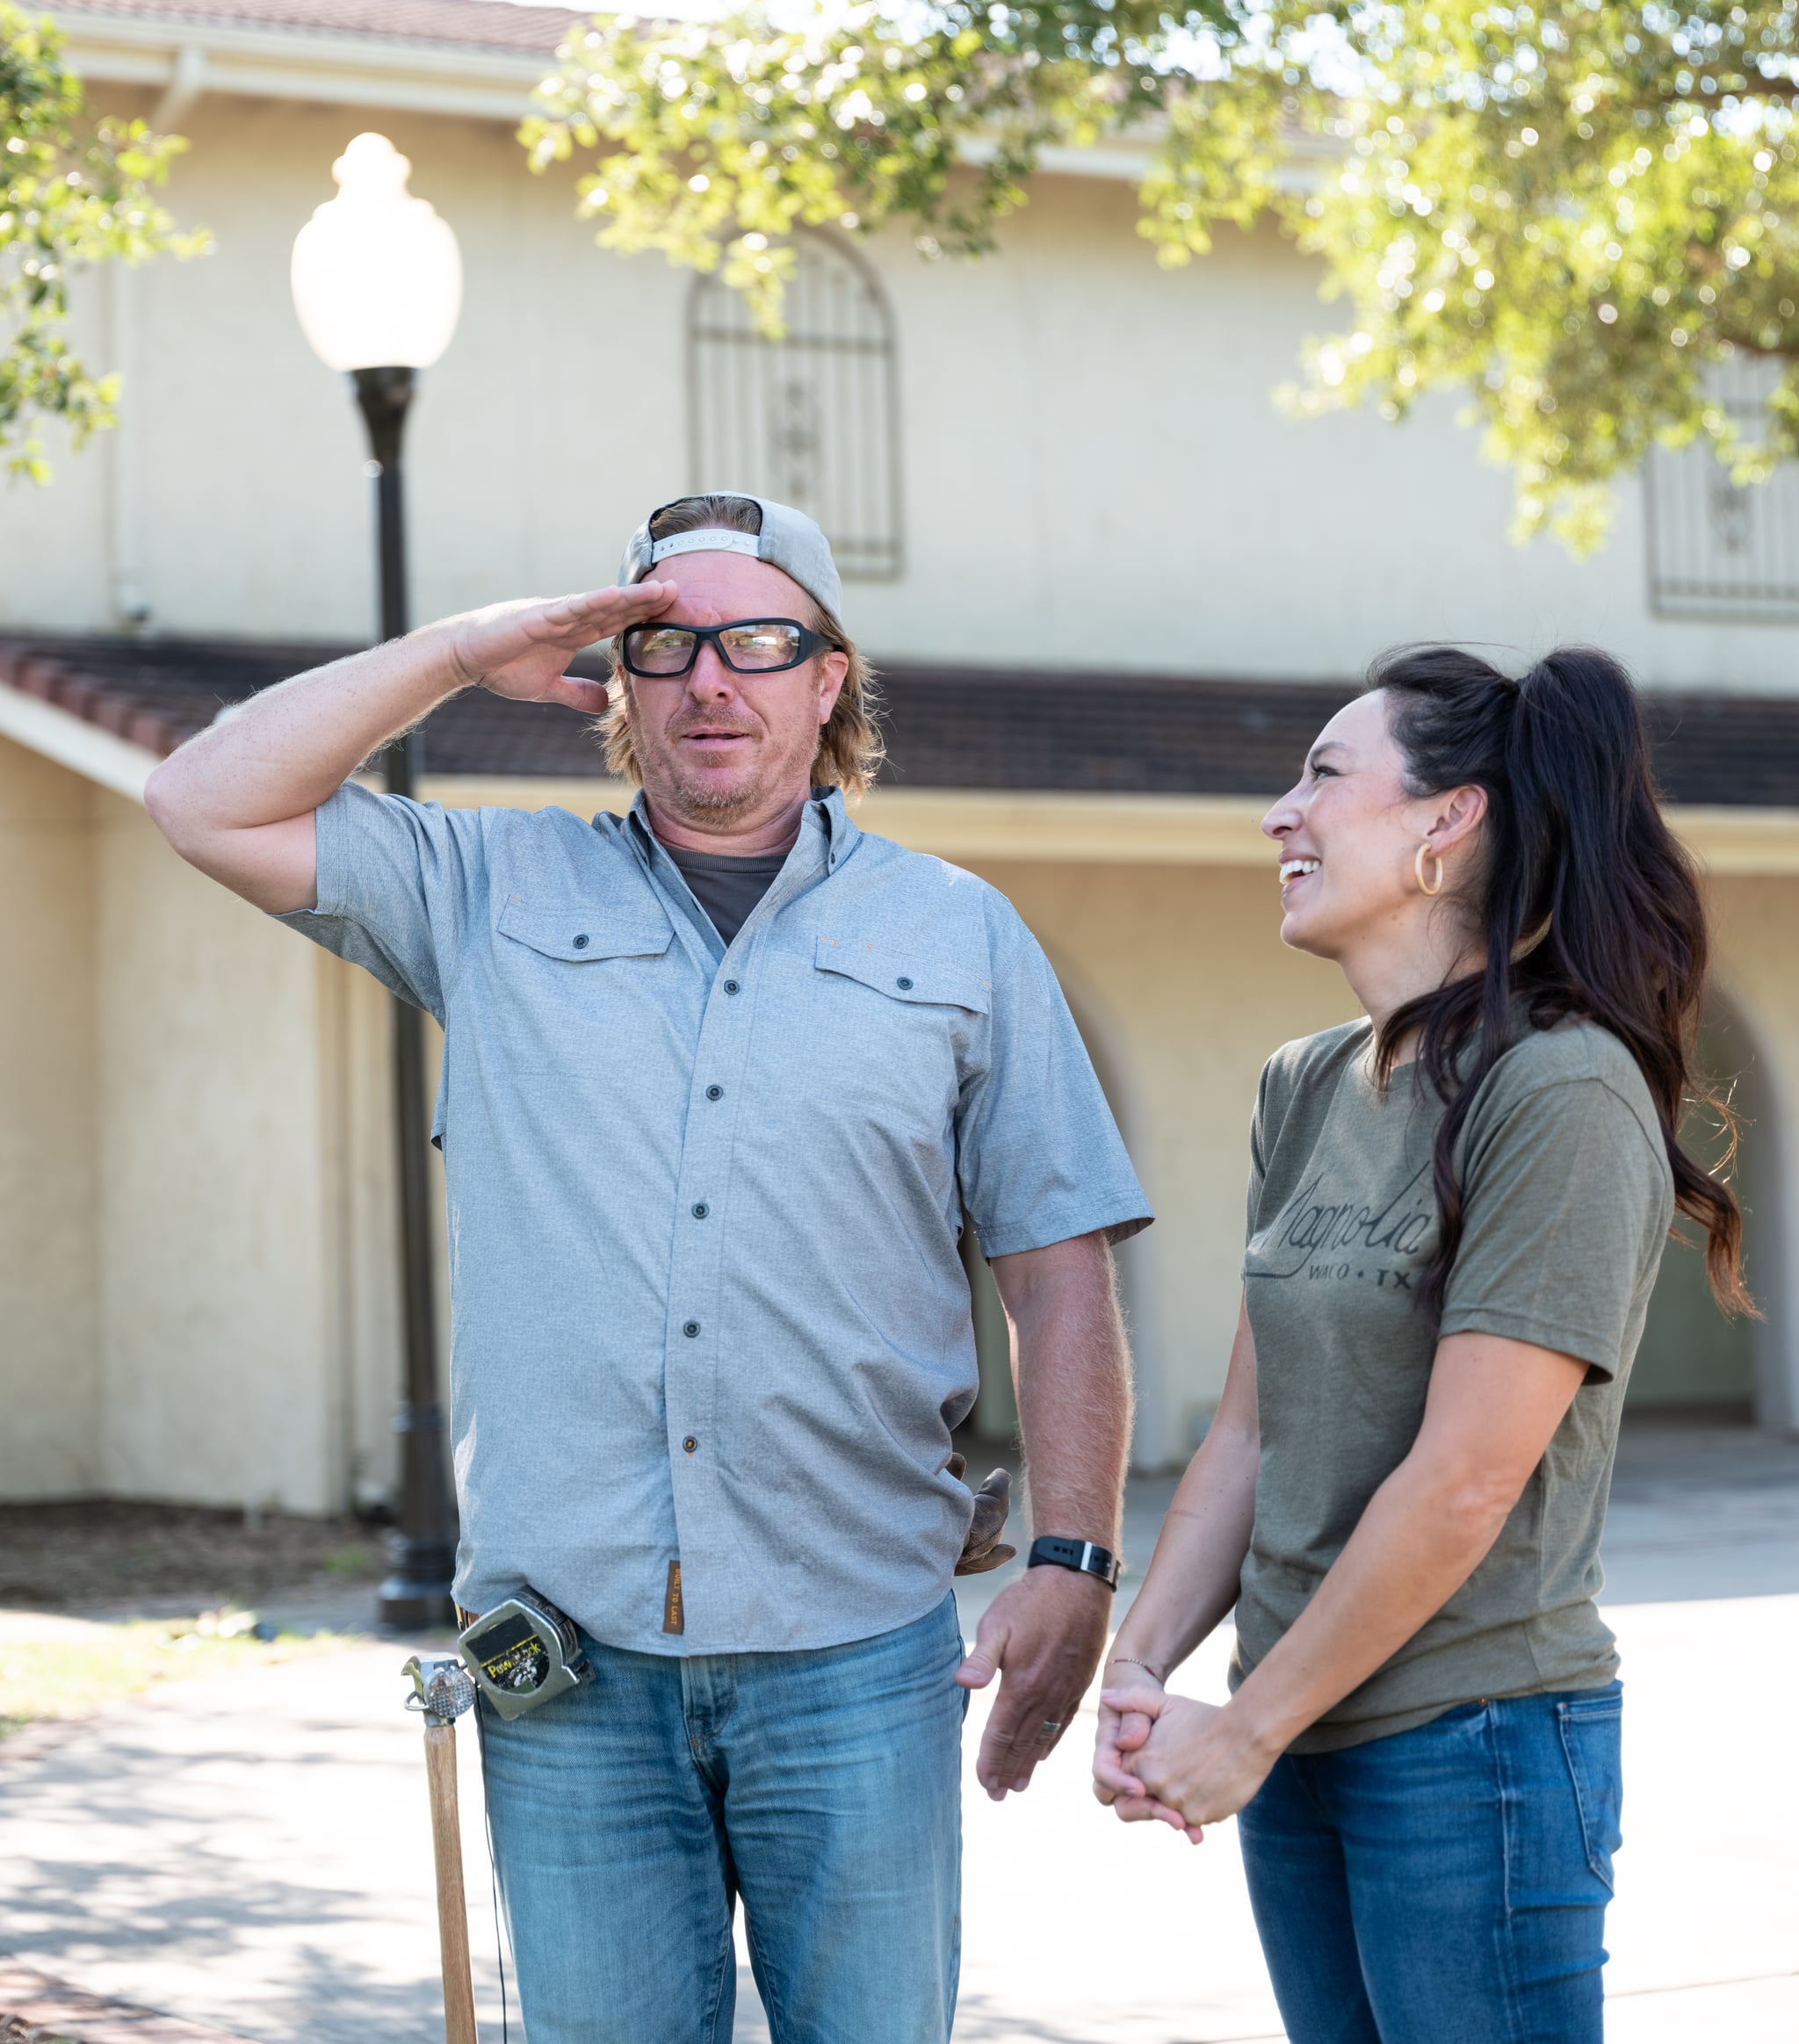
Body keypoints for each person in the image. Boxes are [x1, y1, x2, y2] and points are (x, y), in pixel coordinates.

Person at [144, 490, 1150, 2044]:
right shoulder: (486, 895)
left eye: (760, 640)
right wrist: (471, 648)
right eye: (662, 643)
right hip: (573, 1666)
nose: (709, 679)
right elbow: (204, 800)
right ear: (613, 685)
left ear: (831, 681)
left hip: (857, 1649)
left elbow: (1058, 1268)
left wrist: (1074, 1560)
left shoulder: (962, 937)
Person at [1090, 646, 1751, 2044]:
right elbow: (1249, 1439)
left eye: (1324, 776)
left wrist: (1249, 1727)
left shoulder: (1560, 1086)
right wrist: (1143, 1667)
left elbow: (1465, 1479)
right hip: (1299, 1738)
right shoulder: (1306, 1085)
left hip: (1476, 1749)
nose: (1281, 814)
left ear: (1447, 822)